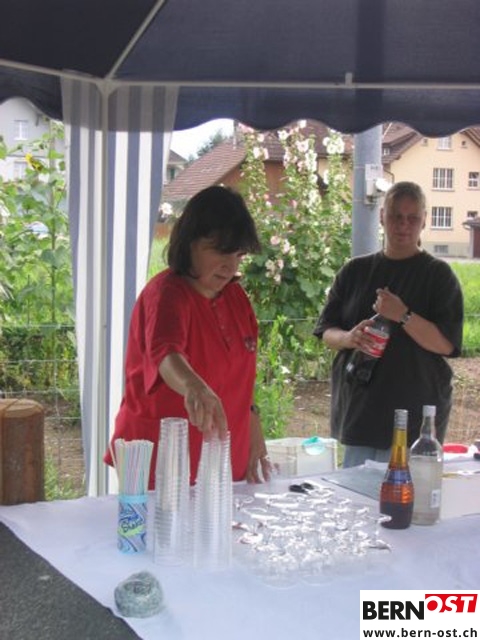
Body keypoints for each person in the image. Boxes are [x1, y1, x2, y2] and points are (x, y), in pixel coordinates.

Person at [104, 186, 271, 488]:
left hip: (221, 461)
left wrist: (252, 421)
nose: (231, 265)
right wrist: (195, 386)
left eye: (239, 254)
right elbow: (166, 355)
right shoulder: (166, 294)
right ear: (190, 242)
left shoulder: (236, 298)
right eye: (221, 251)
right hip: (161, 462)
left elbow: (240, 377)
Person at [314, 181, 463, 467]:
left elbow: (446, 344)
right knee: (356, 493)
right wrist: (349, 338)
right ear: (382, 216)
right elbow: (326, 330)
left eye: (412, 218)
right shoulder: (354, 271)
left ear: (424, 221)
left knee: (407, 495)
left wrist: (403, 315)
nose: (403, 225)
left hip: (415, 420)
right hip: (360, 412)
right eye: (396, 216)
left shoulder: (438, 275)